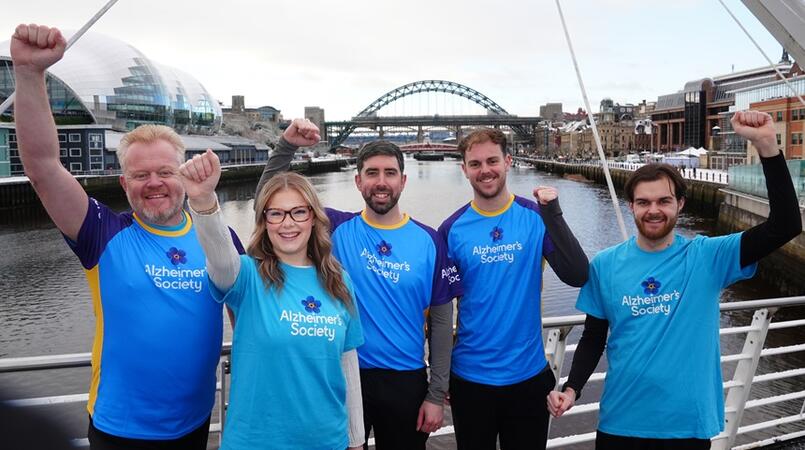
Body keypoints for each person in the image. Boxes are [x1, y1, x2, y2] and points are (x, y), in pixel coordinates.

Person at [11, 24, 244, 449]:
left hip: (195, 425)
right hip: (120, 430)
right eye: (141, 175)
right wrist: (29, 75)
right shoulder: (102, 232)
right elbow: (43, 167)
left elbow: (246, 317)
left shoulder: (219, 235)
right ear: (123, 183)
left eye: (165, 172)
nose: (154, 183)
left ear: (184, 174)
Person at [547, 110, 802, 450]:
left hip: (687, 427)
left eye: (664, 200)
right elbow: (594, 336)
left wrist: (768, 146)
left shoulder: (709, 256)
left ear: (680, 203)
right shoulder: (605, 265)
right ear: (632, 206)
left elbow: (785, 225)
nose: (654, 210)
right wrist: (572, 388)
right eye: (644, 202)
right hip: (621, 423)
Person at [257, 123, 462, 450]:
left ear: (403, 181)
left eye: (390, 173)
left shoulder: (429, 240)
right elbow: (268, 202)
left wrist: (436, 394)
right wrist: (286, 145)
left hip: (405, 380)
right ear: (358, 181)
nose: (381, 182)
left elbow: (441, 322)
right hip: (340, 375)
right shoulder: (334, 228)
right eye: (371, 173)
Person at [179, 150, 364, 449]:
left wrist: (356, 441)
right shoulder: (247, 277)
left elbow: (347, 364)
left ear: (313, 218)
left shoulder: (338, 280)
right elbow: (221, 260)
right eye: (276, 213)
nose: (287, 223)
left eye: (298, 212)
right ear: (264, 221)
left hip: (327, 441)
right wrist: (203, 202)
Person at [438, 128, 589, 449]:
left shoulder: (535, 216)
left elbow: (577, 274)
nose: (485, 170)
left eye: (492, 160)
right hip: (469, 379)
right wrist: (439, 374)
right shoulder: (451, 230)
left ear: (508, 161)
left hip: (528, 377)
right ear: (464, 169)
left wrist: (554, 213)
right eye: (475, 164)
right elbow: (438, 307)